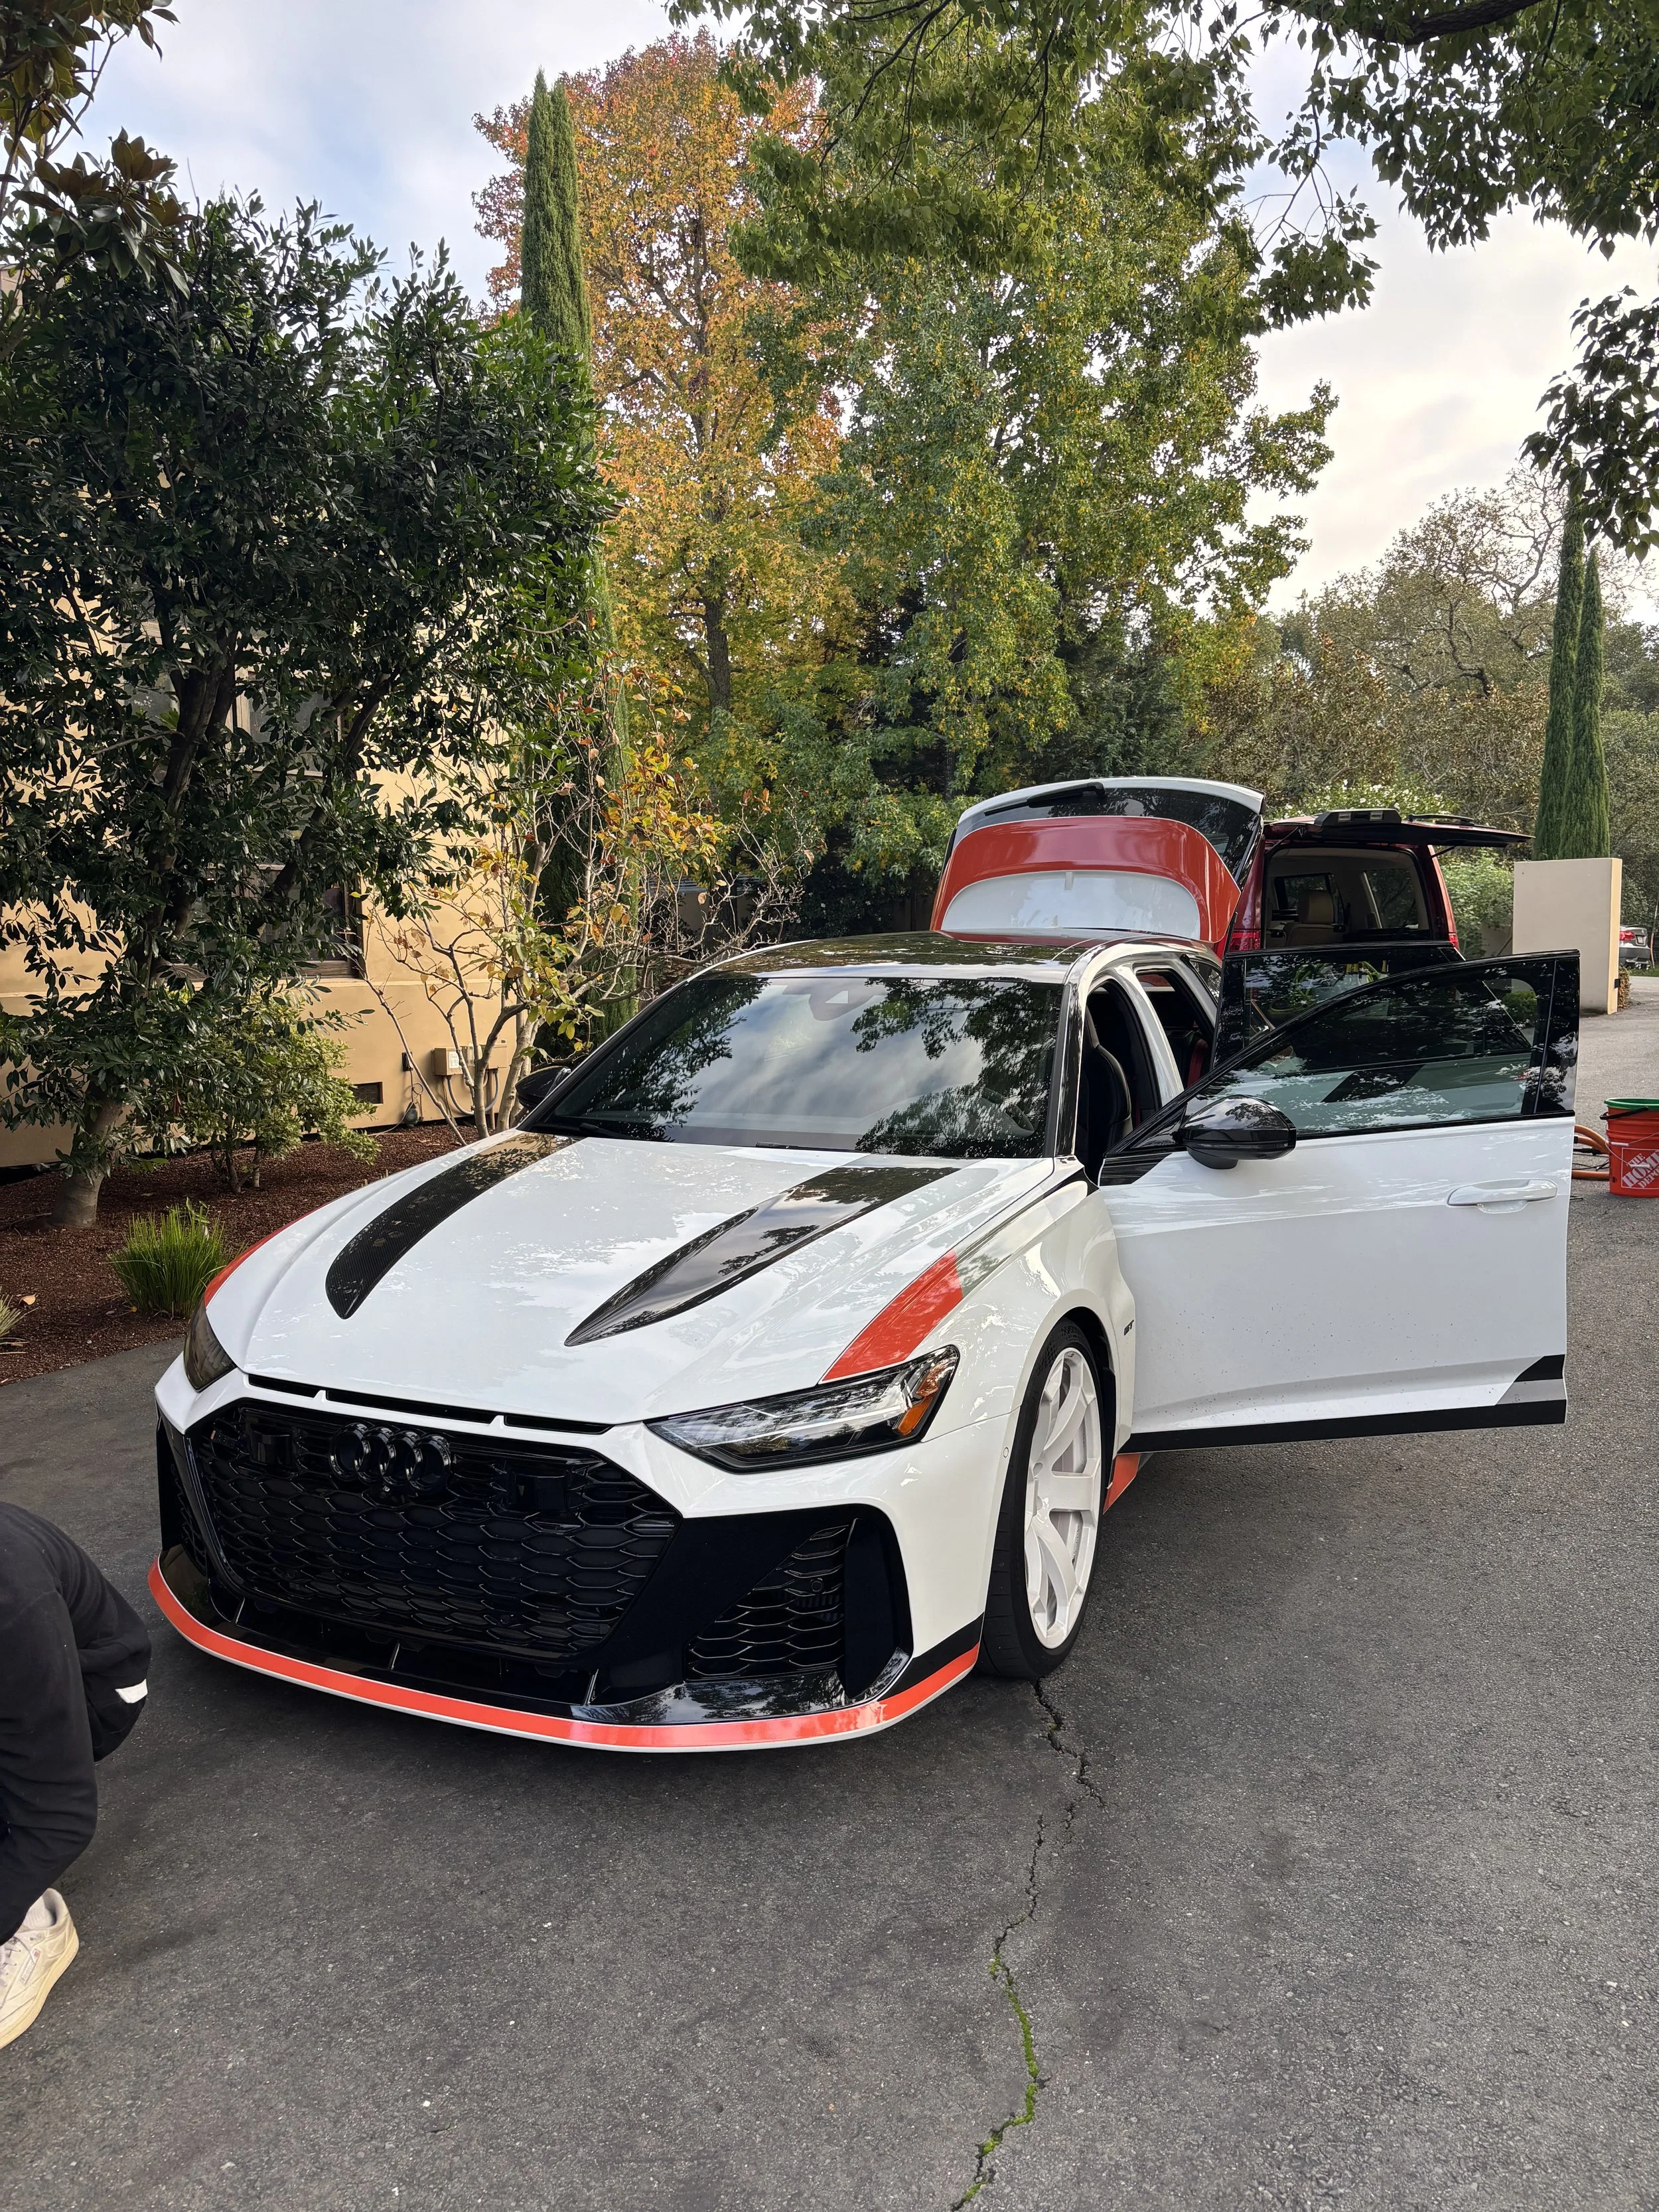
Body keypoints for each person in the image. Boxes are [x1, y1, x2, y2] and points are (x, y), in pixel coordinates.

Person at [0, 1504, 151, 2049]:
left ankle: (32, 1922)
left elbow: (60, 1817)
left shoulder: (10, 1602)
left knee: (31, 1820)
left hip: (96, 1691)